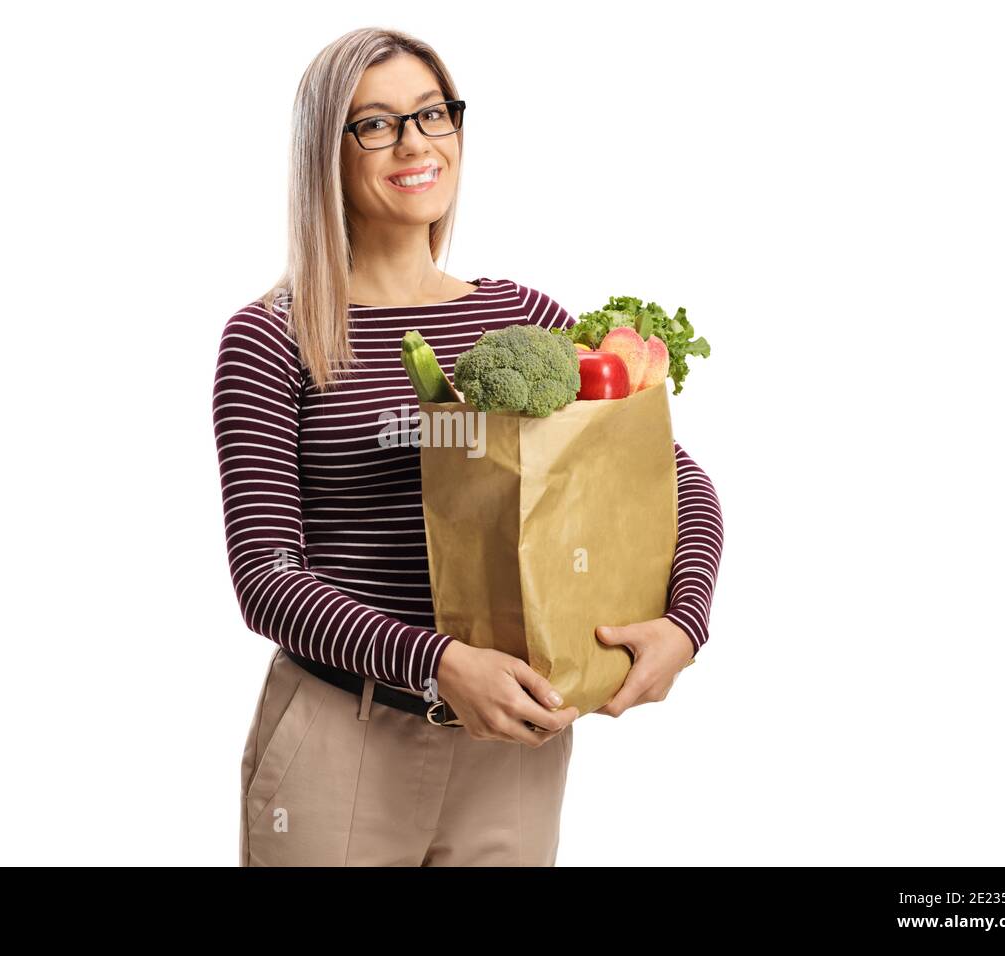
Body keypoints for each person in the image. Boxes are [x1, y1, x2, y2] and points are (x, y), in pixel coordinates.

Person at [211, 27, 724, 866]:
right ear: (322, 153)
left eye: (432, 114)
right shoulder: (274, 338)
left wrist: (683, 623)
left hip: (515, 744)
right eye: (374, 124)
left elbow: (672, 477)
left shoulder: (525, 317)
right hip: (344, 736)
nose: (414, 143)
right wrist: (439, 662)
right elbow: (266, 579)